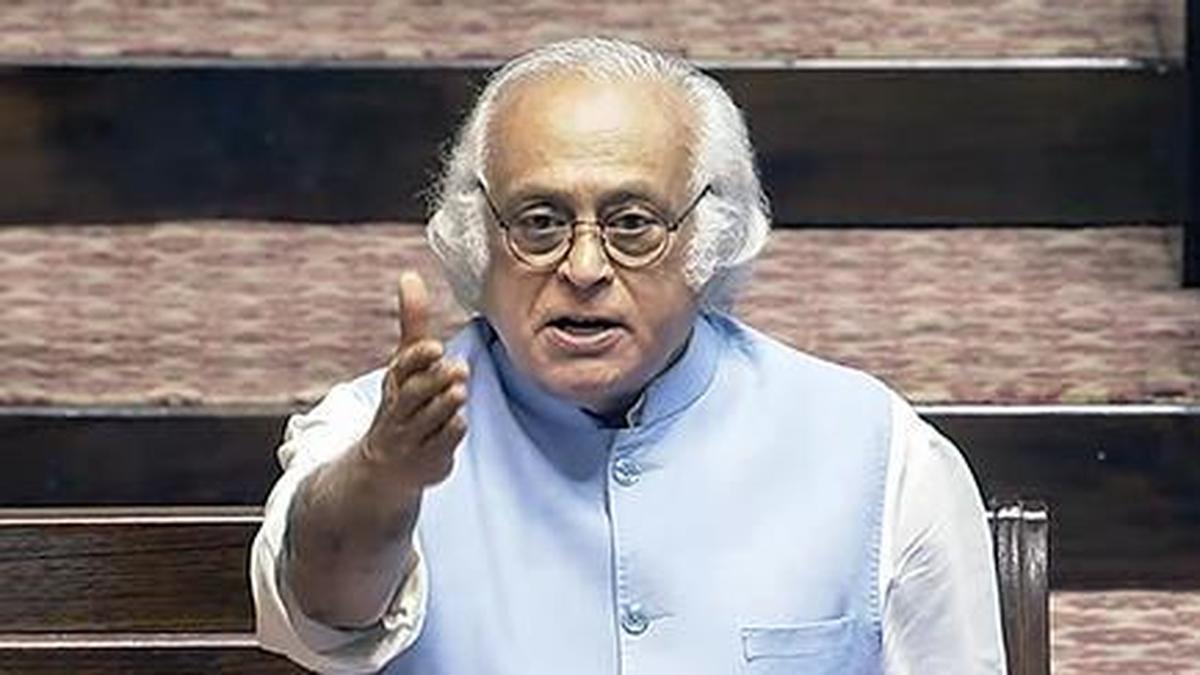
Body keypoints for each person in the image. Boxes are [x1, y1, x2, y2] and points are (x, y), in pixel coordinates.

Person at [251, 37, 1007, 674]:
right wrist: (384, 475)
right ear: (479, 238)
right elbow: (322, 610)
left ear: (706, 238)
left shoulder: (879, 449)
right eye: (540, 222)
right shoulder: (366, 430)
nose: (583, 267)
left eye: (633, 223)